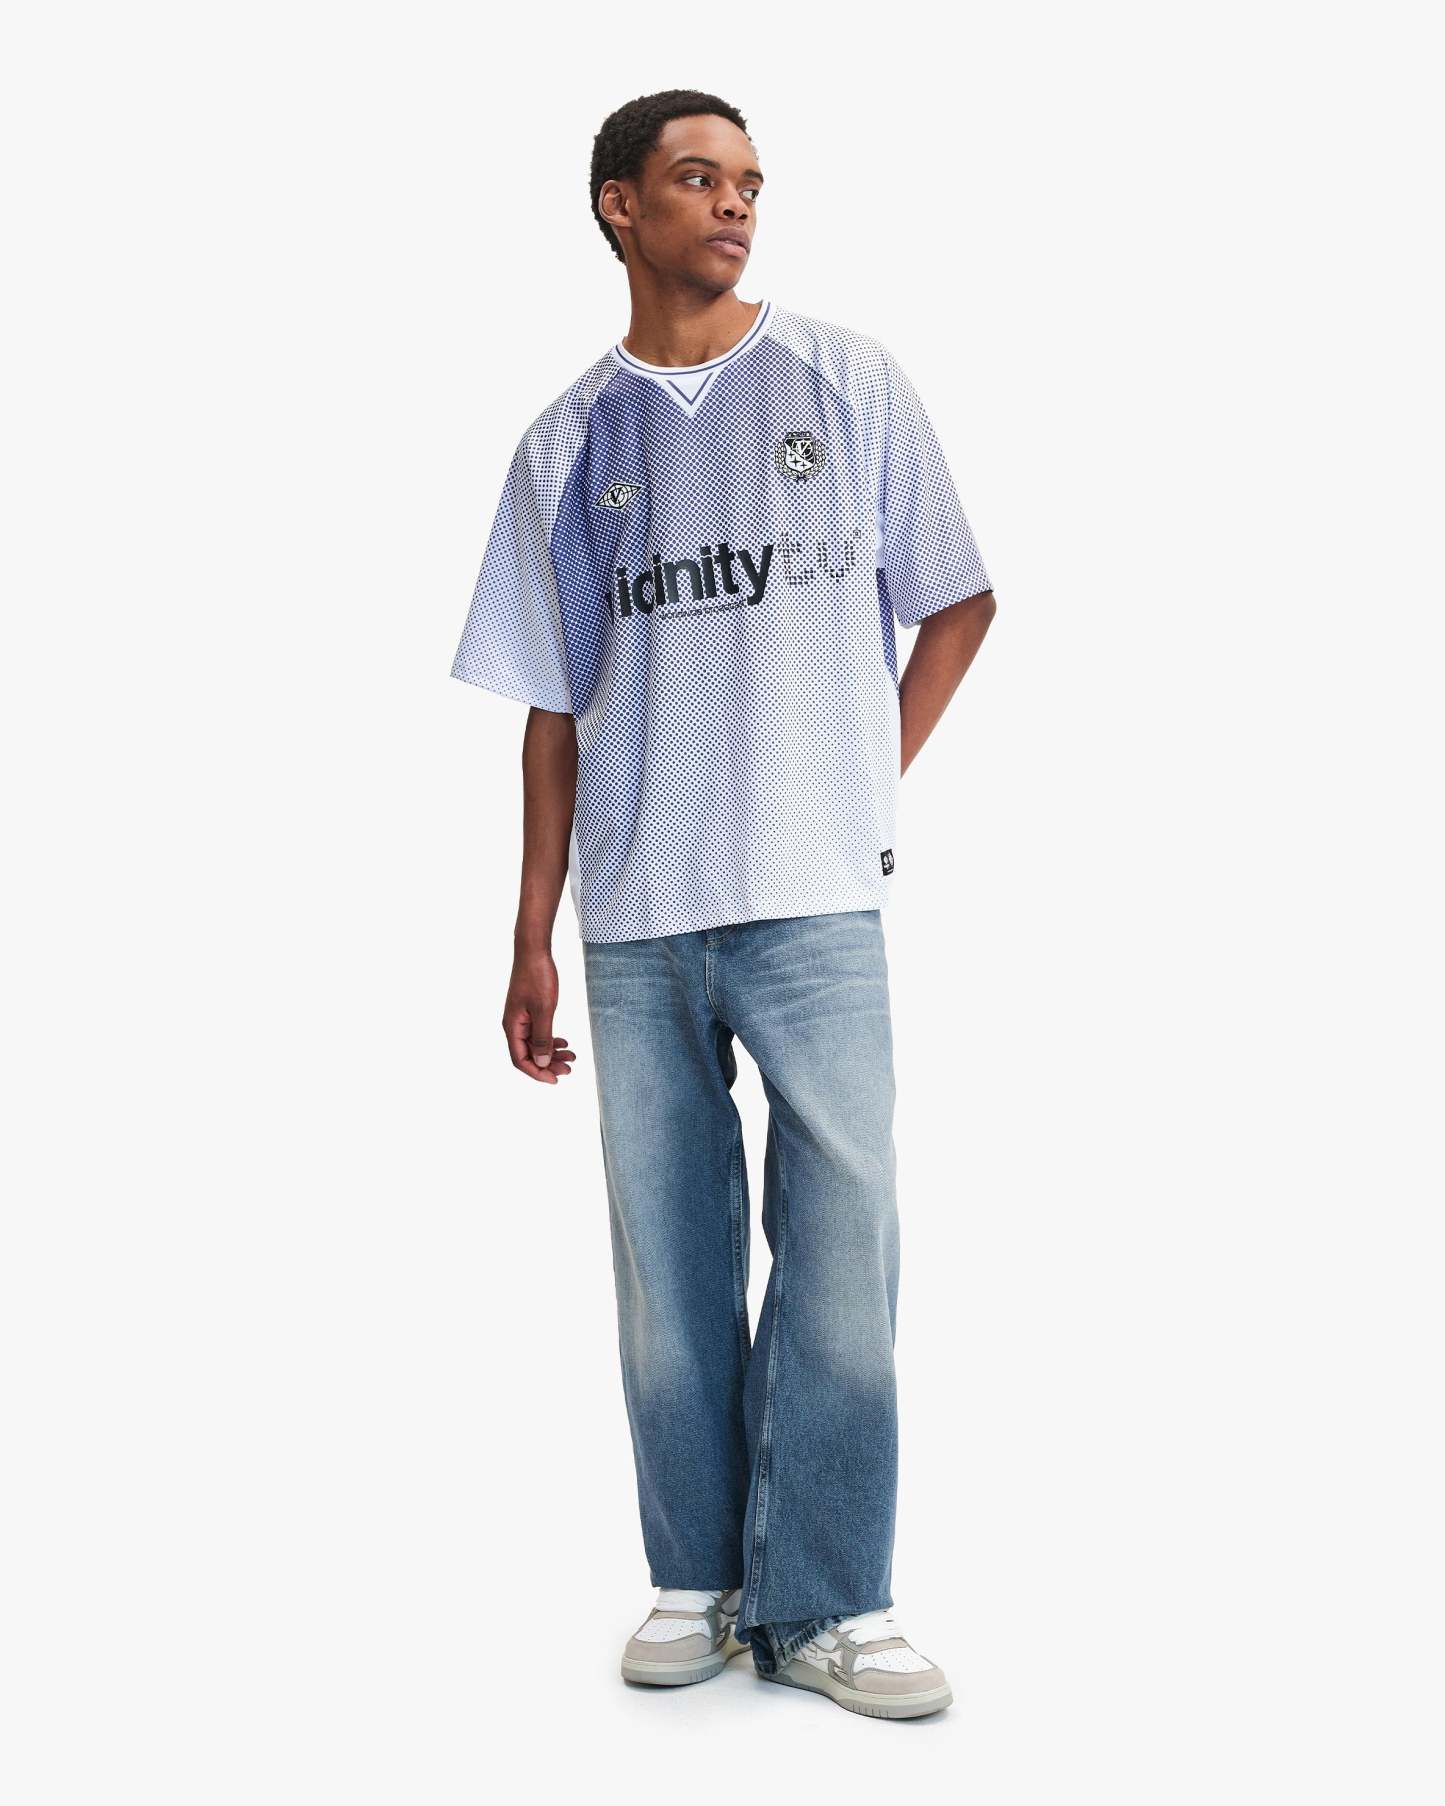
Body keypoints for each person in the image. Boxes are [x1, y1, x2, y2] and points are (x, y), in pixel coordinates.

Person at [449, 89, 997, 1720]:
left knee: (841, 1254)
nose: (735, 204)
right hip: (634, 918)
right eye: (697, 179)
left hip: (814, 903)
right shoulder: (564, 444)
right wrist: (530, 929)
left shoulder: (846, 380)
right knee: (668, 1268)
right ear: (620, 207)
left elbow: (958, 601)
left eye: (750, 181)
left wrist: (861, 774)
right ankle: (695, 1573)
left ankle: (828, 1599)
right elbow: (553, 708)